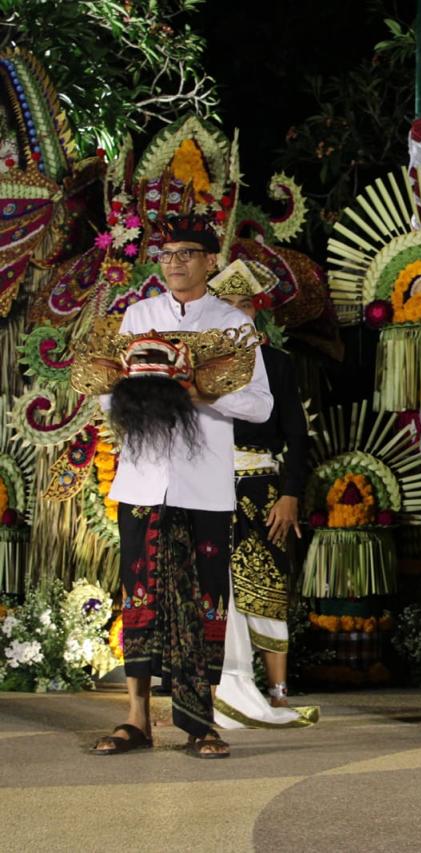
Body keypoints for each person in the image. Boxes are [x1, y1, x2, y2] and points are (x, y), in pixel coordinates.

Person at [91, 217, 273, 758]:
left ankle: (201, 723)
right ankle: (136, 720)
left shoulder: (232, 325)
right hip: (143, 479)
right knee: (141, 595)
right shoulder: (137, 316)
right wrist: (139, 392)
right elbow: (107, 396)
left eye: (187, 253)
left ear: (211, 260)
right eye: (166, 253)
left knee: (205, 600)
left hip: (205, 485)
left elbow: (261, 405)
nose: (174, 262)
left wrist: (200, 394)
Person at [208, 263, 317, 729]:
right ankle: (213, 689)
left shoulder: (277, 365)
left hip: (262, 489)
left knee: (269, 588)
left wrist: (290, 493)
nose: (235, 313)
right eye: (226, 306)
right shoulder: (198, 366)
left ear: (256, 311)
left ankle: (276, 694)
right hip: (206, 488)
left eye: (244, 305)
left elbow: (298, 434)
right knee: (212, 589)